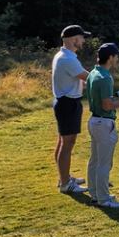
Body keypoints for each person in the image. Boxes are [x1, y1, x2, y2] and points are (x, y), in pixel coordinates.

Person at [85, 42, 119, 209]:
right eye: (116, 56)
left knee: (95, 160)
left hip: (94, 121)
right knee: (104, 163)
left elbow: (104, 98)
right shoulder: (105, 77)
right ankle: (104, 200)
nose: (117, 59)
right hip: (104, 123)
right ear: (110, 58)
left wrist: (117, 95)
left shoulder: (94, 73)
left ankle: (95, 194)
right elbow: (107, 105)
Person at [51, 25, 90, 194]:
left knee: (63, 142)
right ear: (74, 39)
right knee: (67, 143)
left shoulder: (67, 56)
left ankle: (64, 177)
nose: (83, 41)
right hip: (68, 104)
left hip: (67, 102)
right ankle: (66, 183)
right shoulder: (67, 59)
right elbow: (87, 76)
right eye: (82, 38)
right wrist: (102, 78)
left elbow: (79, 78)